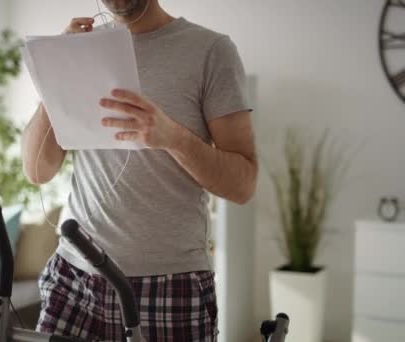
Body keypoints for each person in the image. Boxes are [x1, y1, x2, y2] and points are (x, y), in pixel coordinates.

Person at [20, 0, 257, 340]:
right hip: (75, 275)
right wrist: (58, 72)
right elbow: (36, 170)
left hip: (170, 286)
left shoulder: (211, 51)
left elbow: (244, 184)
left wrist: (174, 138)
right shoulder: (80, 48)